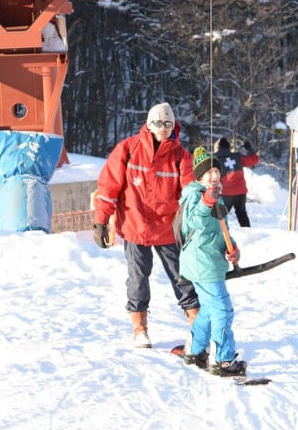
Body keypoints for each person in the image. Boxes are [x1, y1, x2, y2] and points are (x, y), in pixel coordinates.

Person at [93, 102, 200, 348]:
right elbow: (109, 187)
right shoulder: (128, 149)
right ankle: (140, 328)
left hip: (168, 229)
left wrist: (199, 220)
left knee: (183, 276)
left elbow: (191, 194)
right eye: (159, 123)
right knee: (138, 278)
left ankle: (198, 325)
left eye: (168, 123)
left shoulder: (181, 156)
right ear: (149, 124)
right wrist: (101, 220)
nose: (163, 128)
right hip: (135, 225)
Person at [179, 146, 247, 376]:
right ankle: (222, 360)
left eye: (216, 171)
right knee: (222, 310)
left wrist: (231, 248)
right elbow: (194, 222)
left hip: (209, 261)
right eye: (208, 172)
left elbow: (219, 230)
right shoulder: (194, 195)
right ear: (199, 176)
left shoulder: (216, 195)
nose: (214, 176)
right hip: (202, 263)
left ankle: (194, 350)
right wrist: (206, 201)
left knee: (209, 308)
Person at [212, 137, 259, 227]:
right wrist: (249, 149)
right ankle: (248, 232)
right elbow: (254, 160)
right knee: (241, 213)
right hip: (241, 192)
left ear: (217, 148)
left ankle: (218, 232)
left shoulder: (215, 159)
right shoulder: (237, 156)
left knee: (220, 216)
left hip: (226, 193)